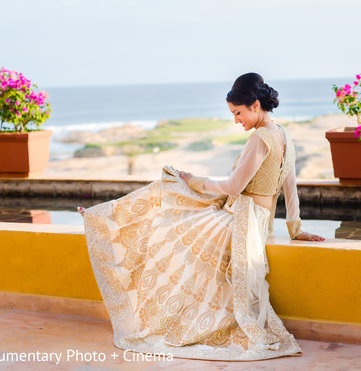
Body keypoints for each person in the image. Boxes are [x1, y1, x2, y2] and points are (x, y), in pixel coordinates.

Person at [80, 72, 324, 362]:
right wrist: (295, 229)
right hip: (258, 220)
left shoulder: (260, 139)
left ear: (255, 105)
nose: (236, 120)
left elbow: (233, 186)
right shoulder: (283, 134)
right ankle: (109, 215)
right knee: (180, 209)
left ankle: (107, 219)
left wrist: (195, 180)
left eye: (238, 113)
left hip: (243, 220)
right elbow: (291, 185)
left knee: (172, 218)